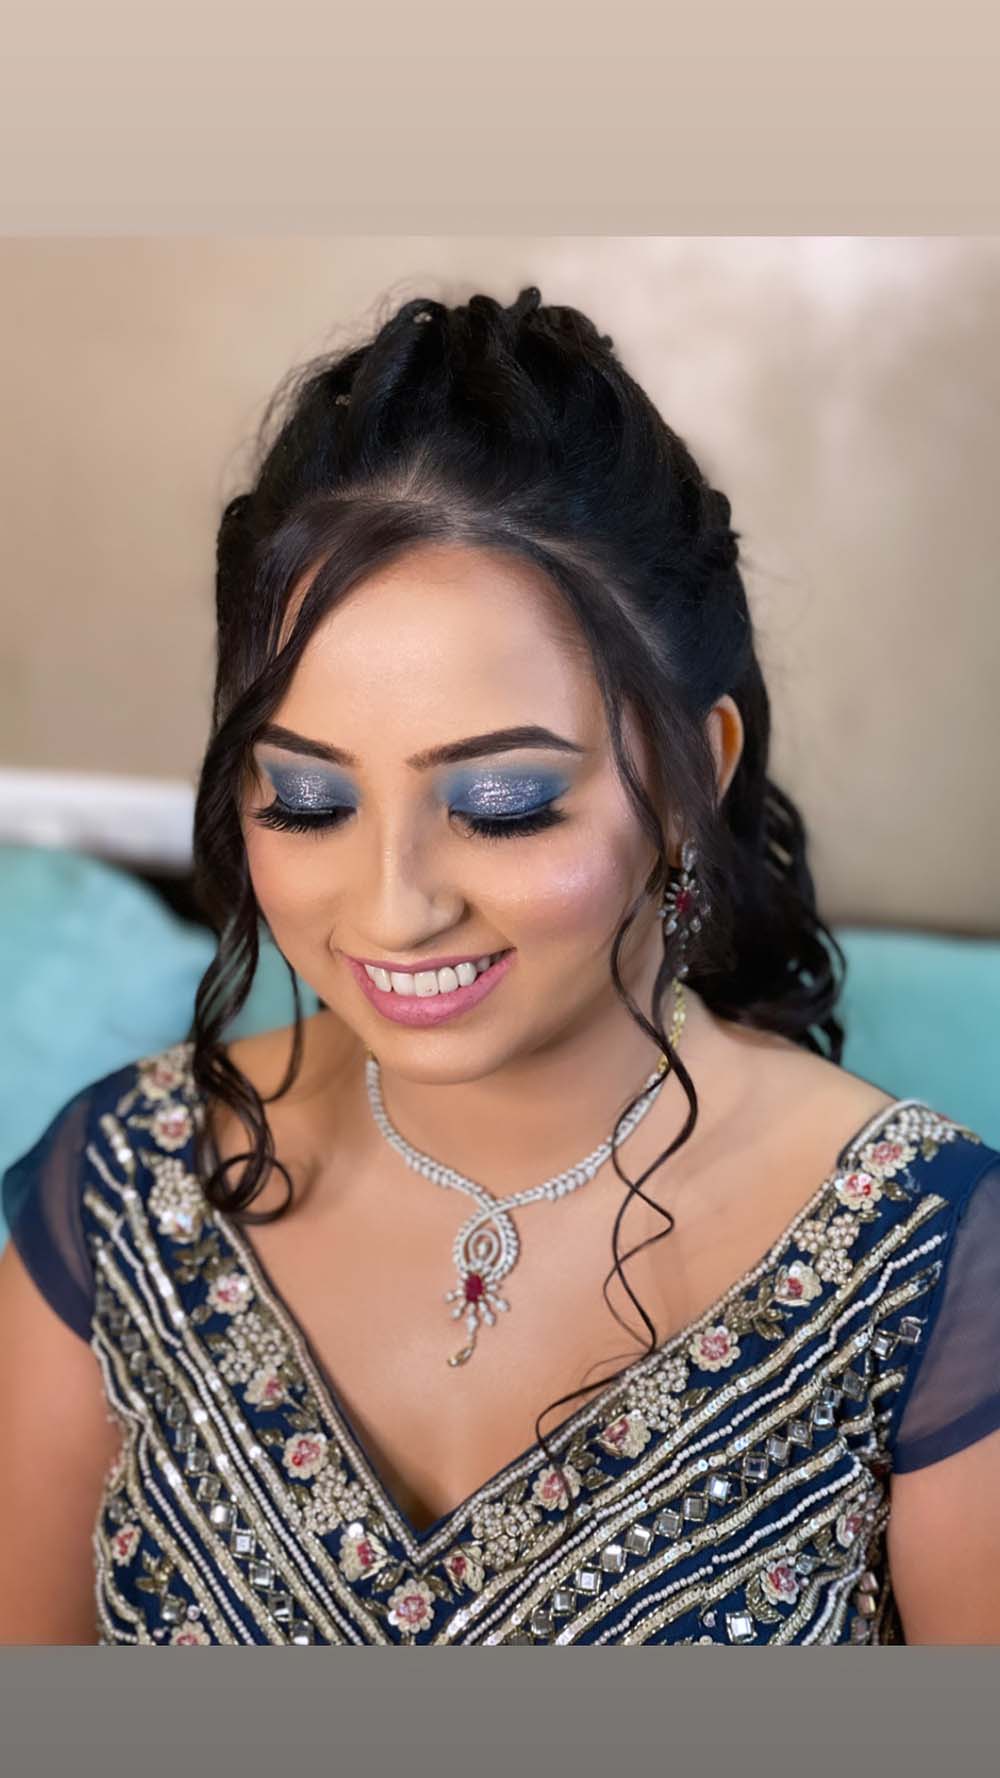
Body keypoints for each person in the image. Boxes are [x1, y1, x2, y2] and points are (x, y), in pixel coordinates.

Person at [2, 287, 999, 1647]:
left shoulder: (924, 1263)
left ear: (692, 777)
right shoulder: (126, 1186)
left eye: (504, 802)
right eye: (307, 799)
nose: (393, 906)